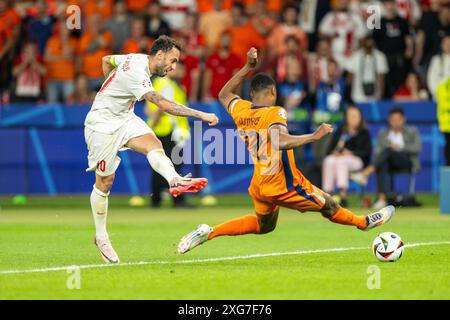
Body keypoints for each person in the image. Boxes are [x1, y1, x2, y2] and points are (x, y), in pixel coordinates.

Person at [177, 48, 395, 254]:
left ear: (251, 95)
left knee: (265, 226)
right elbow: (279, 140)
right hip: (283, 183)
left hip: (260, 182)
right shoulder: (275, 112)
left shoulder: (241, 110)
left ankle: (210, 232)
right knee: (329, 204)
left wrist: (247, 67)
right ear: (273, 91)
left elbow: (224, 94)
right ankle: (364, 223)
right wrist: (312, 136)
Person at [84, 36, 219, 263]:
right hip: (102, 124)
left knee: (154, 145)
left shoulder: (136, 58)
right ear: (159, 55)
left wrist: (112, 87)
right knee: (105, 182)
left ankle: (174, 179)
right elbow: (164, 105)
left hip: (125, 118)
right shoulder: (138, 72)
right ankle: (101, 236)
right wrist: (201, 114)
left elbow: (107, 60)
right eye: (173, 61)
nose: (174, 67)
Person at [351, 107, 421, 210]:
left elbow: (417, 148)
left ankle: (365, 173)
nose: (396, 122)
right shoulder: (384, 132)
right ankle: (382, 199)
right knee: (383, 161)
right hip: (387, 162)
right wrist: (389, 148)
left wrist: (399, 147)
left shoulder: (412, 131)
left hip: (406, 161)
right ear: (389, 120)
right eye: (393, 120)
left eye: (398, 120)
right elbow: (377, 151)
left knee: (388, 152)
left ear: (403, 120)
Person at [145, 62, 191, 208]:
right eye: (181, 68)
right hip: (168, 131)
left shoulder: (161, 84)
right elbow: (161, 108)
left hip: (164, 130)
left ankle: (157, 199)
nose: (182, 71)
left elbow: (148, 109)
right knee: (174, 166)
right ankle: (177, 200)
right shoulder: (167, 85)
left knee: (161, 165)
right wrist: (153, 125)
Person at [322, 105, 371, 207]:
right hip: (338, 159)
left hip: (357, 161)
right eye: (351, 116)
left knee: (342, 161)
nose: (354, 118)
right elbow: (329, 150)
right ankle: (327, 195)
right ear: (346, 117)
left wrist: (351, 153)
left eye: (356, 116)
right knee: (328, 160)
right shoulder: (340, 131)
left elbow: (366, 153)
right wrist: (335, 151)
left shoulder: (364, 133)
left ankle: (343, 196)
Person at [345, 36, 389, 103]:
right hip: (358, 96)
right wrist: (348, 94)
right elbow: (349, 77)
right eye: (366, 46)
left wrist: (381, 95)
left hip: (375, 95)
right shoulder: (355, 56)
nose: (368, 49)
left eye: (370, 46)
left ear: (374, 45)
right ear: (363, 45)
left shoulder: (380, 56)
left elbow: (382, 78)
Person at [44, 20, 77, 103]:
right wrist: (63, 57)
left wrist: (54, 57)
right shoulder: (52, 41)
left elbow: (72, 58)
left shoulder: (74, 42)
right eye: (62, 28)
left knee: (70, 105)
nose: (64, 31)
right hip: (53, 78)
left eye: (66, 28)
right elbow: (47, 57)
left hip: (68, 78)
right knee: (52, 105)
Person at [427, 35, 450, 100]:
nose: (448, 45)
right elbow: (431, 79)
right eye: (446, 43)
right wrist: (437, 93)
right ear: (442, 45)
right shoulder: (436, 60)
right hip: (439, 97)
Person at [437, 78, 450, 166]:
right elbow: (440, 109)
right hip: (447, 126)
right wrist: (442, 124)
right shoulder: (442, 87)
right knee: (448, 147)